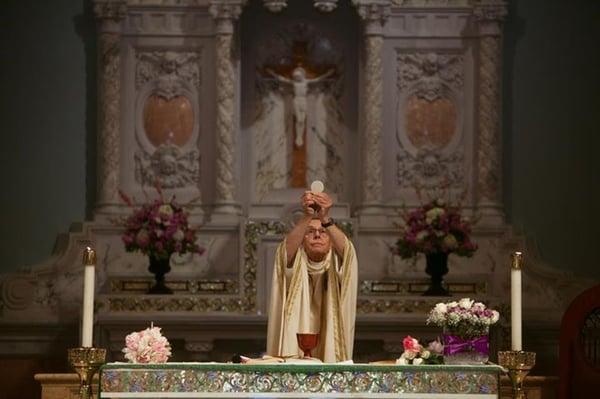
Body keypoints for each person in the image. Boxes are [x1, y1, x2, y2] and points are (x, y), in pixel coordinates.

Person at [266, 191, 358, 362]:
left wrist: (326, 219)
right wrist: (307, 217)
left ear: (331, 241)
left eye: (323, 232)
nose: (317, 235)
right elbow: (283, 254)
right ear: (302, 239)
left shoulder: (337, 259)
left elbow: (349, 253)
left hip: (329, 331)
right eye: (310, 232)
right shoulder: (296, 257)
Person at [267, 66, 334, 147]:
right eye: (295, 77)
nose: (297, 78)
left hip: (304, 101)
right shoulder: (294, 83)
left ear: (302, 75)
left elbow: (318, 79)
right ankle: (298, 137)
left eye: (298, 76)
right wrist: (272, 73)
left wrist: (328, 74)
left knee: (302, 120)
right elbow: (282, 79)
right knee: (298, 120)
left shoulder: (306, 82)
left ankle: (300, 136)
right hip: (296, 101)